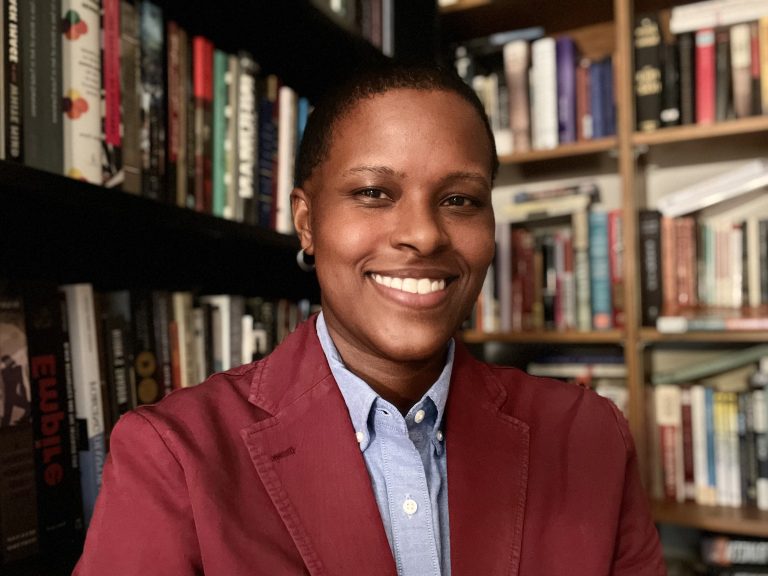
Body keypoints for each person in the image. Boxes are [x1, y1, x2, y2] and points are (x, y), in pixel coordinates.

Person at [73, 63, 666, 575]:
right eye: (375, 193)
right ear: (307, 222)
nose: (423, 234)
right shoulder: (175, 455)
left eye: (459, 199)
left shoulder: (589, 438)